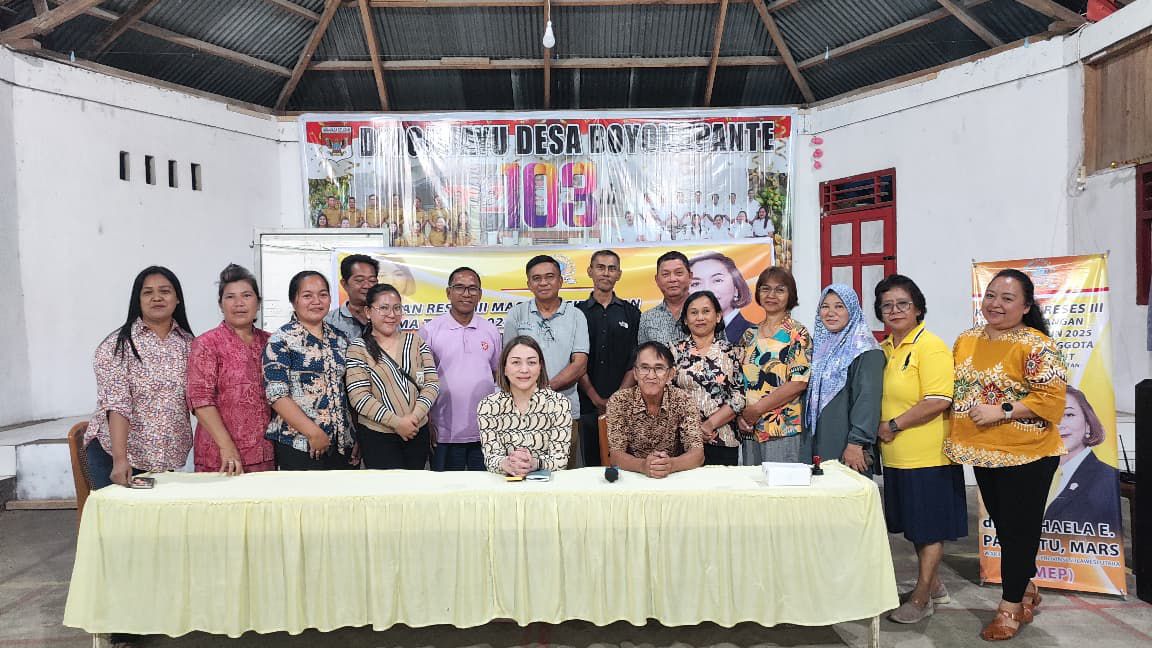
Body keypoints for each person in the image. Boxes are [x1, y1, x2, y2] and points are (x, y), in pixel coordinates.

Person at [947, 269, 1067, 641]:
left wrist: (1003, 410)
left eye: (1007, 298)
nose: (996, 304)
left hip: (1028, 455)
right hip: (983, 451)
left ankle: (1010, 606)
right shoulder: (966, 339)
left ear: (1026, 306)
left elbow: (1052, 400)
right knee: (1005, 528)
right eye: (991, 295)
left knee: (1019, 531)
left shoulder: (1036, 345)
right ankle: (1026, 587)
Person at [872, 274, 965, 624]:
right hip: (897, 457)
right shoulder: (885, 349)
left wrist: (894, 425)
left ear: (918, 309)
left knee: (929, 529)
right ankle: (934, 586)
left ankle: (922, 597)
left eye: (902, 304)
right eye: (887, 305)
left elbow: (939, 399)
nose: (894, 310)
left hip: (929, 456)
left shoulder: (930, 346)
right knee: (915, 527)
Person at [85, 266, 194, 489]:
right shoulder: (117, 346)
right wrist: (120, 459)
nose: (157, 298)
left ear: (177, 299)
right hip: (117, 458)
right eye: (148, 292)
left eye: (165, 291)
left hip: (165, 458)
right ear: (138, 300)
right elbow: (118, 405)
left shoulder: (190, 344)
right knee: (121, 513)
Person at [263, 271, 357, 470]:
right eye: (307, 295)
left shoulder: (341, 339)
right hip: (299, 444)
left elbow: (349, 391)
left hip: (342, 446)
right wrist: (313, 433)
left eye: (323, 295)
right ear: (294, 300)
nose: (316, 301)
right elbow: (276, 394)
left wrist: (355, 435)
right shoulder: (281, 340)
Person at [186, 264, 274, 475]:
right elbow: (200, 400)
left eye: (246, 295)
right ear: (220, 304)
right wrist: (227, 447)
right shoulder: (207, 343)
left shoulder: (272, 343)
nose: (239, 303)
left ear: (258, 303)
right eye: (230, 297)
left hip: (264, 454)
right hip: (220, 455)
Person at [503, 255, 589, 467]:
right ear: (528, 284)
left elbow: (579, 364)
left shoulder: (576, 315)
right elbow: (509, 361)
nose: (543, 283)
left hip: (564, 411)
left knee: (562, 472)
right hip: (522, 413)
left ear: (560, 281)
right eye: (537, 278)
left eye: (549, 277)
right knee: (523, 469)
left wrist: (544, 390)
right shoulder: (516, 314)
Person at [345, 284, 439, 469]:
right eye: (384, 308)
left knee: (415, 485)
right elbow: (359, 397)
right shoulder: (358, 348)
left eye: (397, 308)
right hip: (377, 437)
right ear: (368, 312)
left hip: (416, 432)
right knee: (386, 487)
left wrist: (413, 418)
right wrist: (397, 423)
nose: (392, 314)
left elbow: (432, 384)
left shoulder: (416, 342)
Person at [419, 267, 501, 471]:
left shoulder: (491, 330)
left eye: (472, 288)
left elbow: (496, 374)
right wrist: (426, 419)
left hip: (485, 431)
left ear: (480, 294)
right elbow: (421, 380)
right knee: (447, 488)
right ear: (448, 292)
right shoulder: (430, 330)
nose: (466, 294)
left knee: (485, 487)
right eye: (459, 287)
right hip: (444, 432)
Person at [800, 284, 884, 474]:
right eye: (825, 306)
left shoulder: (866, 350)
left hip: (848, 445)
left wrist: (857, 442)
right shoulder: (819, 349)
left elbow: (868, 400)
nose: (831, 313)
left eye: (839, 306)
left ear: (852, 310)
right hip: (818, 441)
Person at [737, 267, 810, 464]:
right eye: (765, 289)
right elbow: (738, 381)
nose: (771, 295)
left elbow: (799, 382)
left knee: (780, 483)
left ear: (790, 295)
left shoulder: (797, 333)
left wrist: (756, 410)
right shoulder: (749, 335)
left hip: (782, 428)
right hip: (749, 427)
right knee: (752, 483)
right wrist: (741, 416)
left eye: (780, 290)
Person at [576, 250, 641, 466]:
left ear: (619, 274)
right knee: (592, 467)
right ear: (590, 271)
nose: (606, 273)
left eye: (612, 268)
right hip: (587, 404)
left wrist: (617, 398)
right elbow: (576, 360)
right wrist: (595, 398)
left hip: (625, 405)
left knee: (625, 466)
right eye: (600, 267)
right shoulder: (576, 313)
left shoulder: (632, 313)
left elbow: (635, 360)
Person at [607, 341, 704, 477]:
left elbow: (698, 454)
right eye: (644, 368)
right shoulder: (619, 401)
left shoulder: (684, 400)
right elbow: (615, 455)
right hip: (632, 476)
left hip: (673, 476)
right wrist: (643, 466)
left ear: (671, 374)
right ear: (635, 373)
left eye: (659, 368)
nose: (651, 376)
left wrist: (670, 465)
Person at [477, 336, 572, 475]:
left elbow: (560, 459)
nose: (524, 369)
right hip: (504, 484)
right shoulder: (488, 406)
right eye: (516, 362)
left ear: (540, 367)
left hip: (547, 484)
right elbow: (491, 458)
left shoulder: (559, 404)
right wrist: (507, 463)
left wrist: (534, 463)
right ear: (504, 368)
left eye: (531, 362)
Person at [671, 291, 746, 466]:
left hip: (723, 439)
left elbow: (739, 397)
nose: (700, 317)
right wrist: (693, 429)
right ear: (685, 320)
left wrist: (709, 425)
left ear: (718, 316)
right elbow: (666, 394)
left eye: (706, 311)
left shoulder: (733, 352)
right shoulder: (673, 352)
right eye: (694, 312)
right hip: (682, 439)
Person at [1043, 386, 1121, 528]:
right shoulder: (1035, 473)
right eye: (1051, 416)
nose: (1059, 425)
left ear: (1088, 424)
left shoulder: (1107, 478)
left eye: (1069, 415)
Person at [688, 251, 753, 344]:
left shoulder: (754, 336)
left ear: (736, 288)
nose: (707, 289)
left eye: (717, 280)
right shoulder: (683, 338)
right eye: (696, 284)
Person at [638, 251, 692, 347]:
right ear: (657, 280)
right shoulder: (647, 318)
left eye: (679, 273)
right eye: (666, 274)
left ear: (690, 276)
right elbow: (644, 354)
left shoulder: (706, 313)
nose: (672, 279)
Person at [325, 253, 379, 340]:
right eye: (359, 280)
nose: (367, 286)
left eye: (372, 280)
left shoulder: (387, 317)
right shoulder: (329, 321)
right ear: (344, 284)